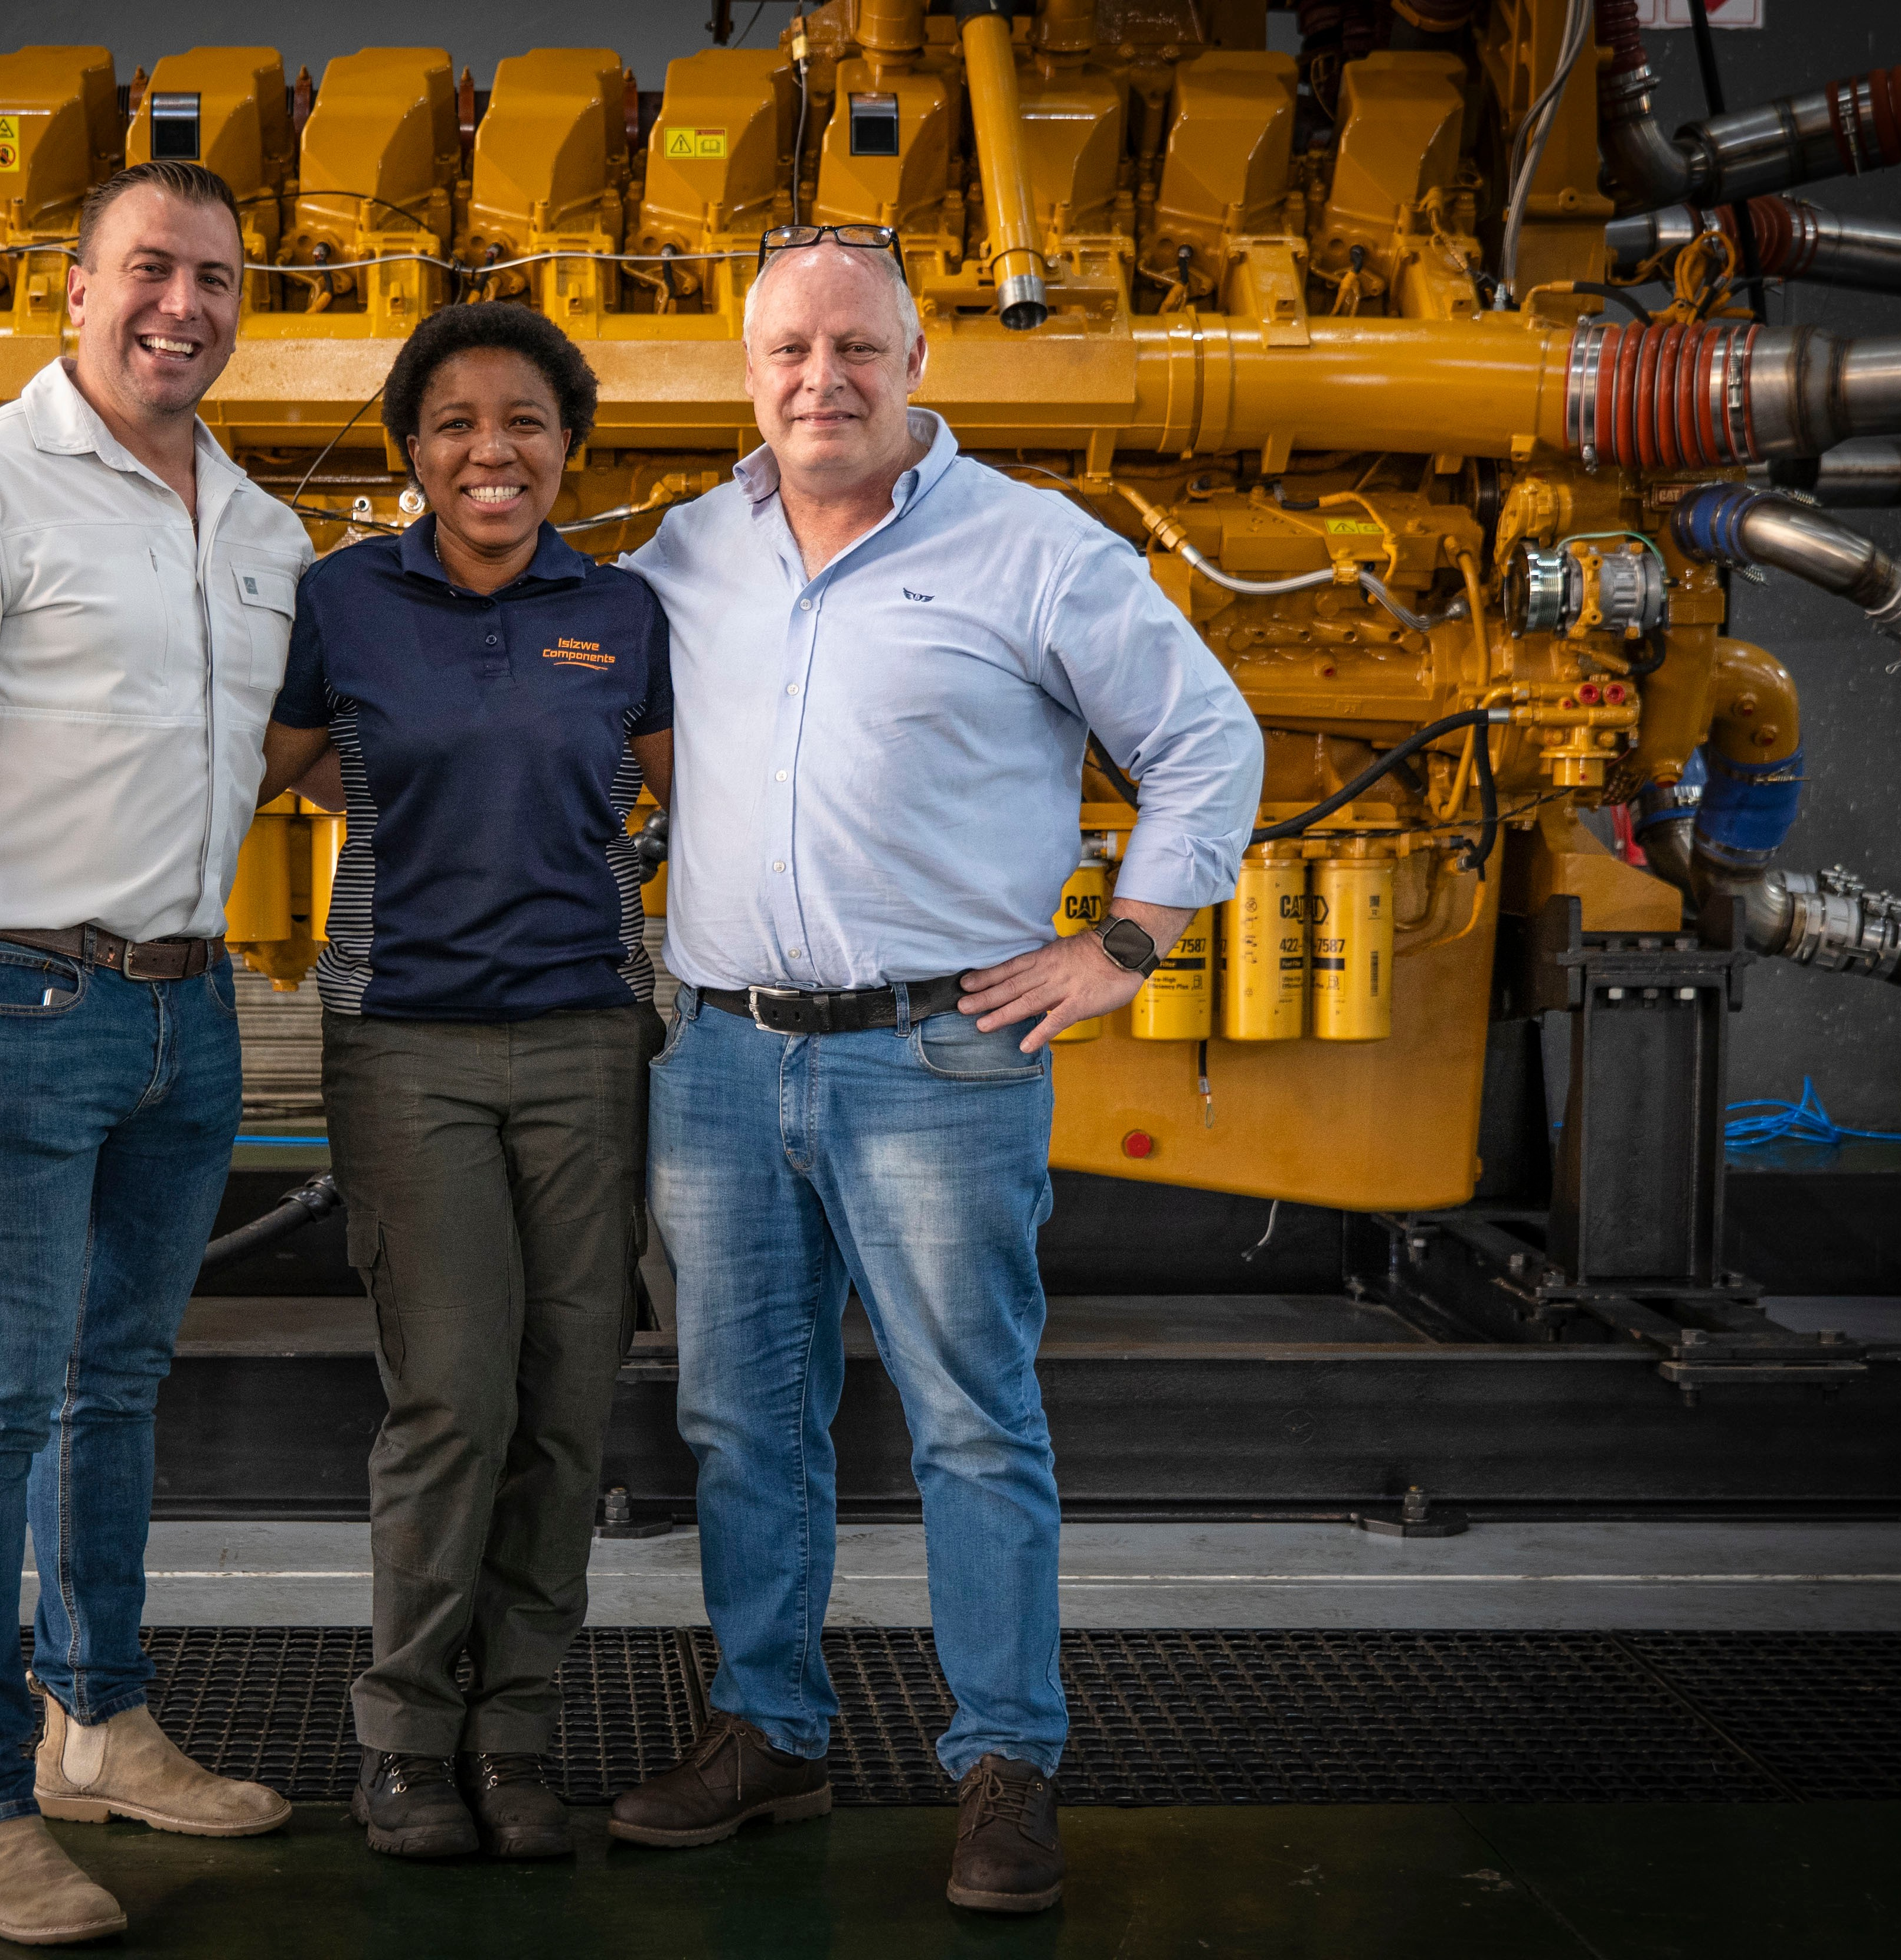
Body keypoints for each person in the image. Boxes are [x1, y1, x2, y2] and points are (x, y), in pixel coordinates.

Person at [604, 228, 1263, 1913]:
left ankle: (1000, 1766)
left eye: (855, 348)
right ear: (745, 373)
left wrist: (1122, 946)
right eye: (786, 354)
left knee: (972, 1424)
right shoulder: (690, 552)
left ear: (915, 363)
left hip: (937, 1059)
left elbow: (1206, 739)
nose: (818, 381)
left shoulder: (1033, 551)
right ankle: (768, 1732)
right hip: (725, 1060)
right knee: (743, 1423)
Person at [0, 158, 307, 1946]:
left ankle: (95, 1724)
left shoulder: (256, 528)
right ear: (74, 288)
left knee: (114, 1389)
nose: (179, 305)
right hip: (10, 1006)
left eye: (212, 279)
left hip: (189, 1012)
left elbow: (223, 752)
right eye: (147, 269)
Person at [257, 302, 674, 1863]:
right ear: (409, 454)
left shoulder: (621, 611)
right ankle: (404, 1740)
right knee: (451, 1399)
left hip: (585, 1043)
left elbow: (699, 800)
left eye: (522, 422)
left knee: (567, 1404)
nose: (488, 451)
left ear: (568, 450)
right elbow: (264, 765)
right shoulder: (344, 601)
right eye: (451, 424)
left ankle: (517, 1737)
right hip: (406, 1043)